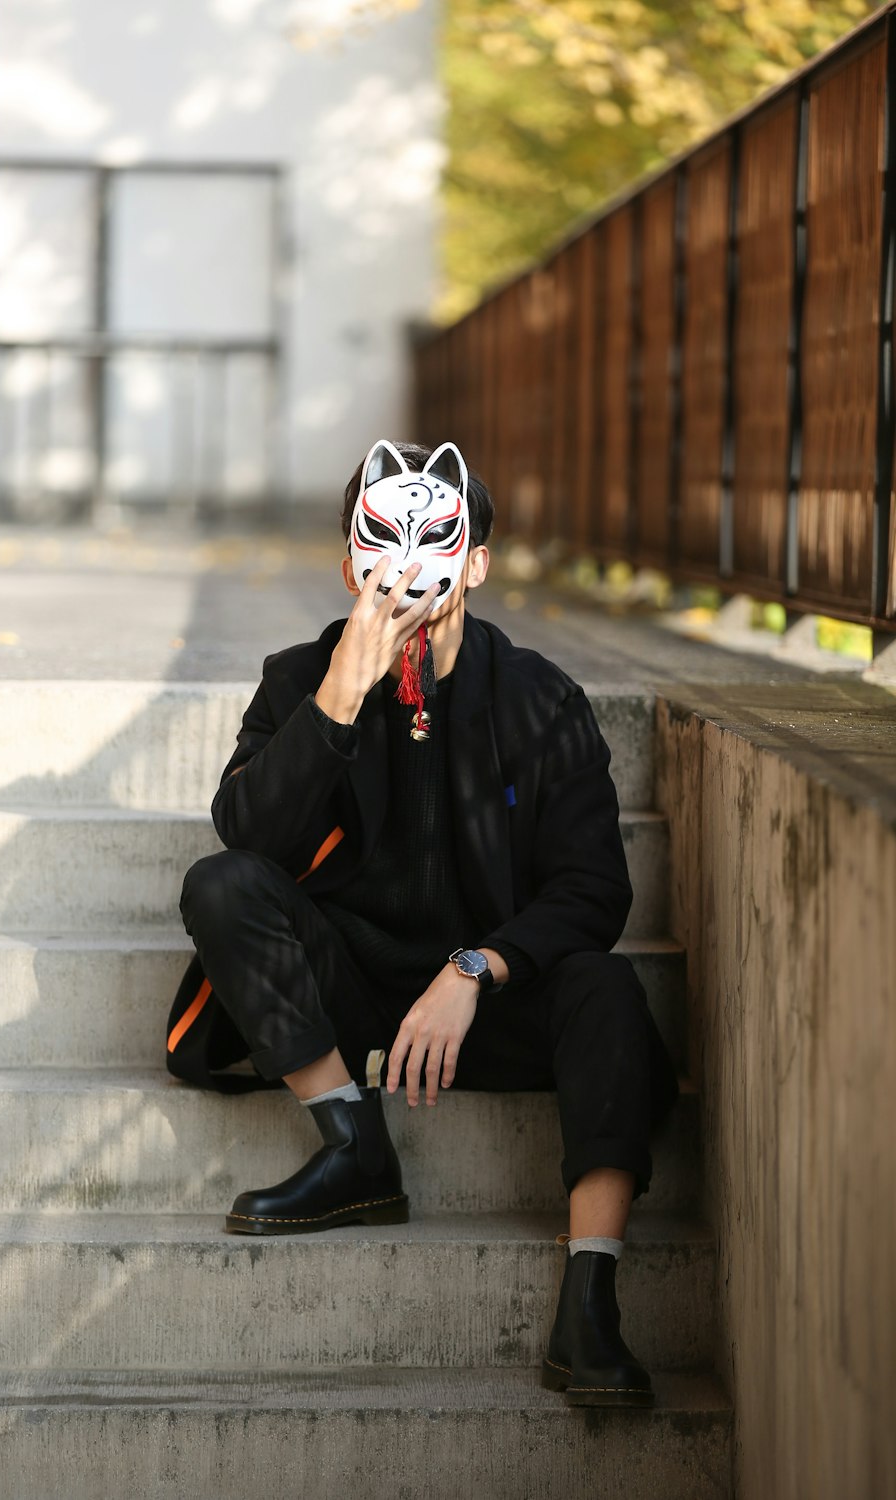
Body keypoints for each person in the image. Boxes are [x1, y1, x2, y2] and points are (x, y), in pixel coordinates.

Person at [171, 438, 680, 1409]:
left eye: (436, 541)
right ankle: (352, 1145)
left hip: (488, 1002)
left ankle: (590, 1296)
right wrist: (338, 698)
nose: (404, 565)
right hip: (350, 989)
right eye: (379, 538)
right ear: (348, 556)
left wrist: (475, 968)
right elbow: (248, 837)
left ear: (476, 562)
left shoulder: (538, 699)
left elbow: (592, 892)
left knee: (606, 986)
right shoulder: (297, 677)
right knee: (220, 884)